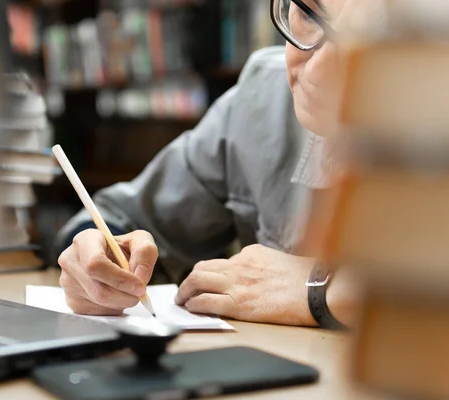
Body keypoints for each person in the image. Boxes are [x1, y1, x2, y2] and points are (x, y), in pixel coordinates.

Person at [53, 0, 361, 329]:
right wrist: (97, 263)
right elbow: (120, 219)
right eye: (309, 15)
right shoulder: (263, 98)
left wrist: (319, 289)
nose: (315, 72)